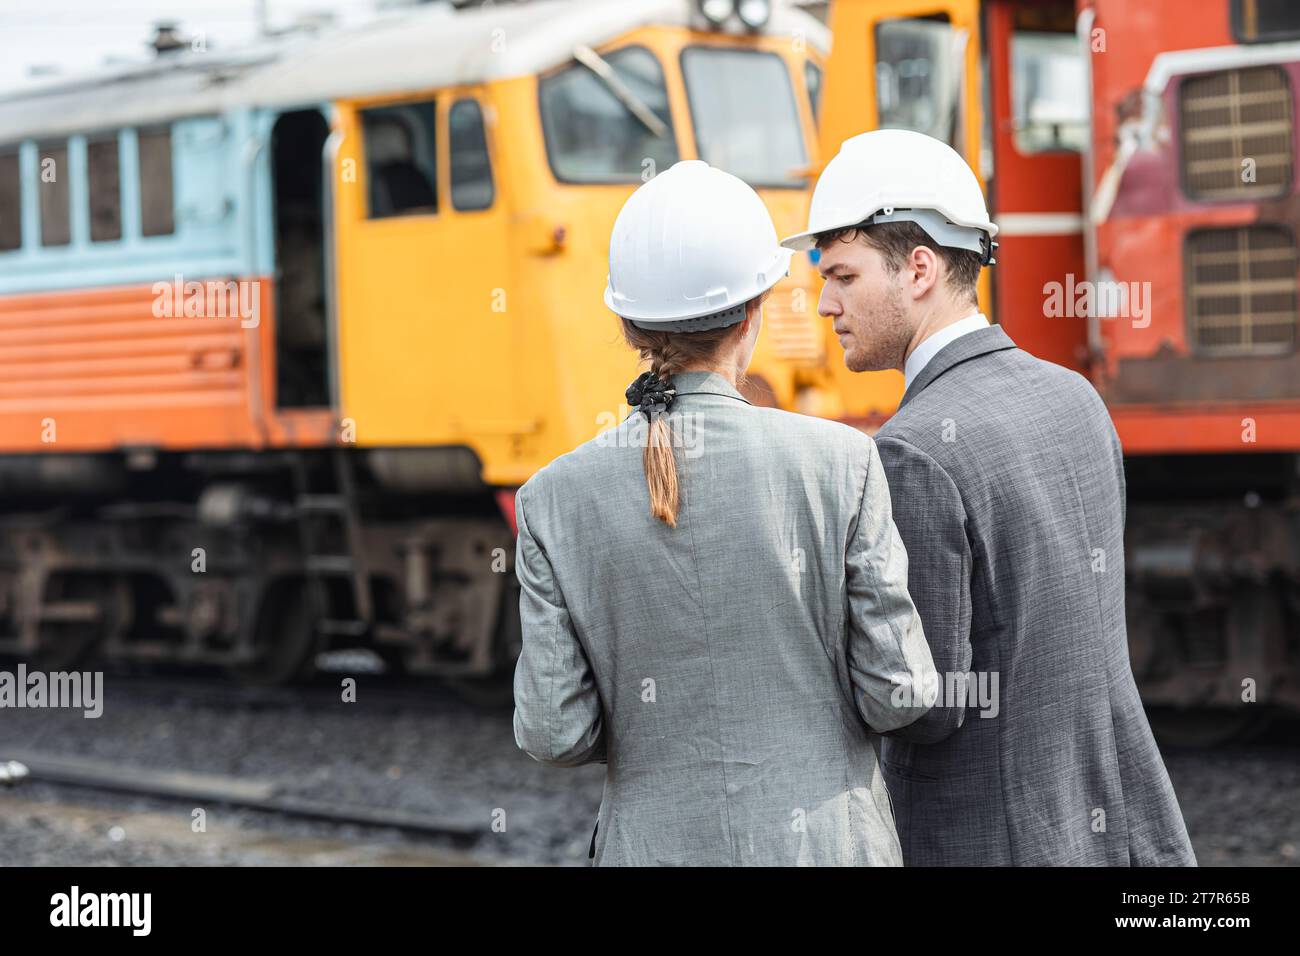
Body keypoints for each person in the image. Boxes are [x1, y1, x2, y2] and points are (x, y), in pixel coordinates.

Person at [781, 129, 1197, 866]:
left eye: (842, 277)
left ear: (918, 270)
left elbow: (928, 705)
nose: (824, 304)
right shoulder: (1076, 398)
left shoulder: (911, 453)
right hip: (1112, 825)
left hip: (986, 837)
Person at [511, 160, 937, 866]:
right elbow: (897, 693)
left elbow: (555, 733)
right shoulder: (845, 462)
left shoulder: (552, 499)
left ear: (629, 324)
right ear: (753, 313)